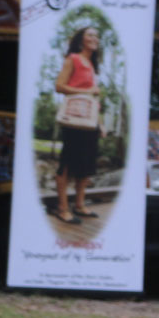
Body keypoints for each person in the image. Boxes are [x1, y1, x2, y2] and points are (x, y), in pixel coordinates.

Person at [52, 24, 103, 226]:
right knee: (67, 163)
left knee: (86, 164)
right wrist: (86, 91)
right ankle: (62, 208)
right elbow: (59, 86)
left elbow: (94, 99)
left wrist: (100, 123)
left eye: (97, 36)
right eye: (90, 35)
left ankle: (80, 205)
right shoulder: (73, 59)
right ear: (81, 39)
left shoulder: (92, 65)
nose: (95, 38)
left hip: (89, 121)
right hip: (74, 121)